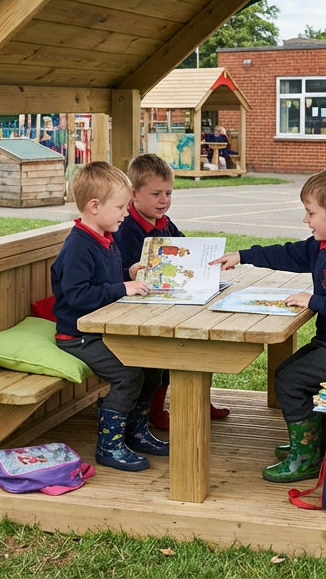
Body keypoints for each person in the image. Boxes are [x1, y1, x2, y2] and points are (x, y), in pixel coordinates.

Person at [210, 166, 326, 482]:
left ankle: (306, 456)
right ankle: (310, 444)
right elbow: (288, 254)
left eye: (310, 213)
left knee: (290, 380)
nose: (306, 220)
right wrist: (242, 255)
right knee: (287, 372)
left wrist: (313, 301)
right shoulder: (323, 245)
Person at [50, 161, 167, 472]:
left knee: (151, 367)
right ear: (93, 206)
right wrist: (122, 287)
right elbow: (78, 296)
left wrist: (127, 273)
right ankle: (109, 446)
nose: (125, 214)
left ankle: (136, 432)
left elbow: (102, 281)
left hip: (101, 328)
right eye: (119, 207)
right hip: (78, 336)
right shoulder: (79, 246)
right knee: (128, 375)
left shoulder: (104, 235)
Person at [113, 153, 231, 429]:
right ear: (133, 194)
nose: (164, 200)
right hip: (133, 308)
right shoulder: (125, 228)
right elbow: (122, 273)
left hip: (167, 301)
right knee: (165, 352)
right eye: (156, 194)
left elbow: (184, 250)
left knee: (203, 335)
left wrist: (207, 263)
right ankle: (155, 412)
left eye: (168, 193)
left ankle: (199, 399)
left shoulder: (164, 222)